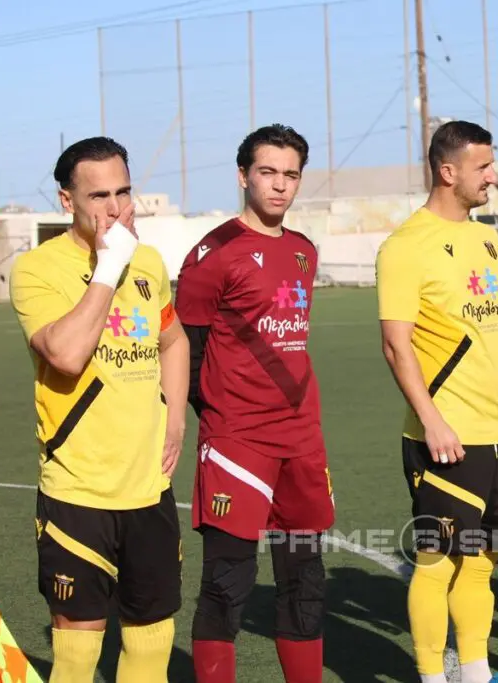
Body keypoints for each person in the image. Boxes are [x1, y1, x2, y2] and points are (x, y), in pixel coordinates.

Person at [376, 120, 498, 683]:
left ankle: (475, 672)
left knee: (480, 563)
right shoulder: (405, 245)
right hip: (447, 438)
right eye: (484, 167)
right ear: (448, 171)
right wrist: (432, 422)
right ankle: (432, 676)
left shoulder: (485, 239)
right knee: (436, 561)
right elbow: (395, 344)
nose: (493, 177)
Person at [10, 137, 188, 683]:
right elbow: (66, 355)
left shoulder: (148, 263)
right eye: (99, 196)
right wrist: (110, 264)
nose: (115, 208)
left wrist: (176, 420)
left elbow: (174, 340)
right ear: (67, 201)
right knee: (77, 656)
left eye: (123, 192)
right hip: (78, 494)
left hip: (148, 490)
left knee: (152, 646)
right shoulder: (36, 269)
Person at [175, 124, 332, 683]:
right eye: (268, 172)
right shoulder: (212, 254)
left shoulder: (304, 251)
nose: (280, 185)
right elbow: (186, 354)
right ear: (243, 176)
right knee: (227, 583)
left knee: (305, 579)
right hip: (237, 443)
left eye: (291, 174)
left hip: (302, 440)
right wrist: (223, 416)